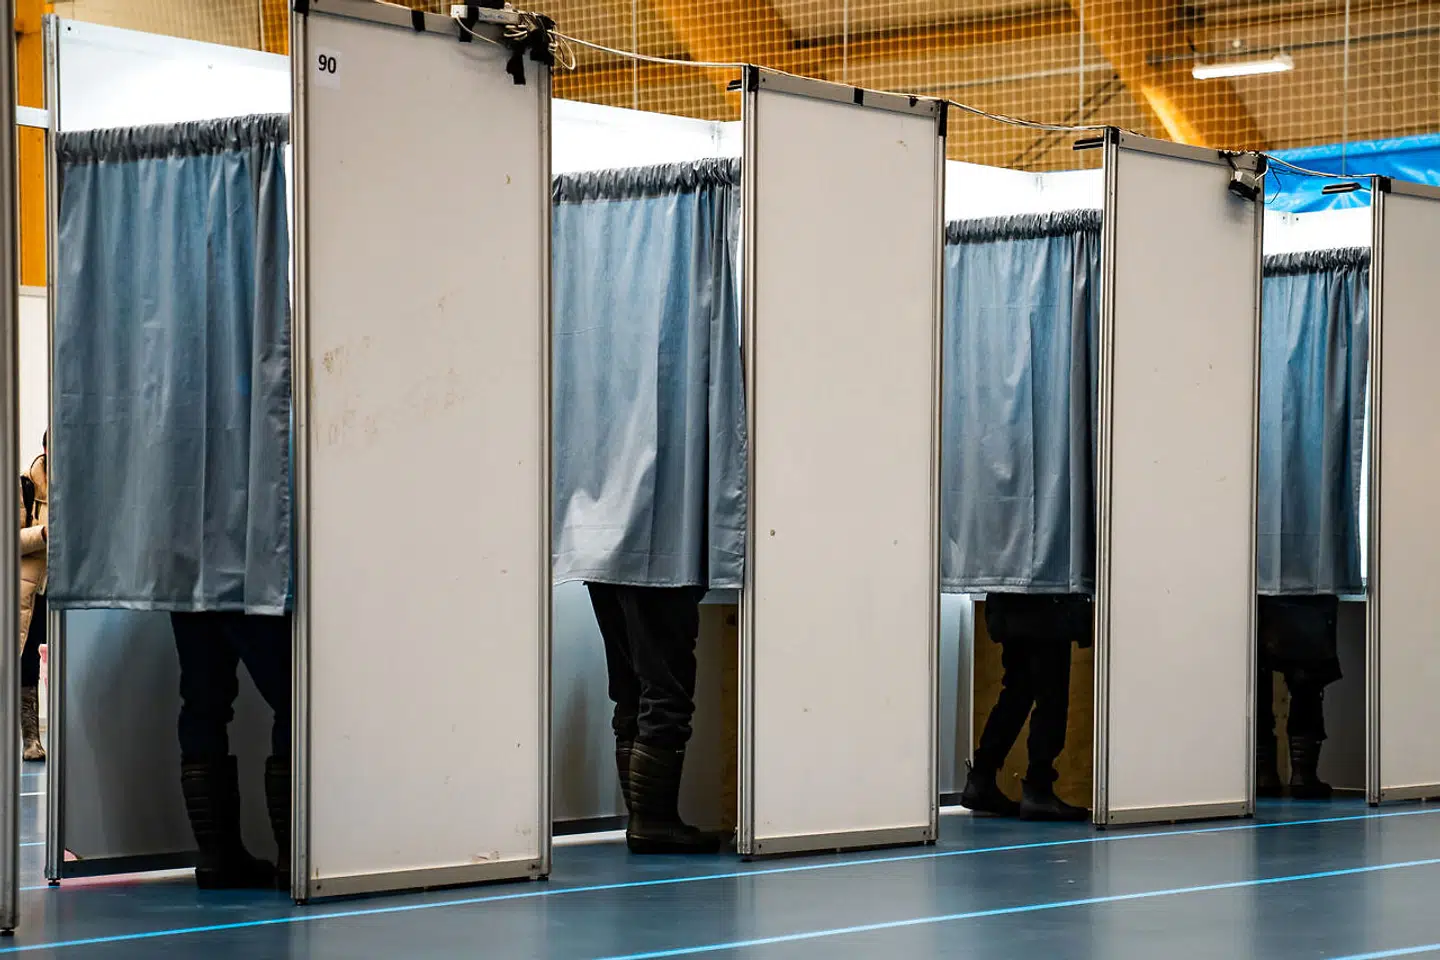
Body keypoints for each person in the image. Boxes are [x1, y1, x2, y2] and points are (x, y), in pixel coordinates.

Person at [587, 583, 723, 854]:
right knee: (666, 685)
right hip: (659, 564)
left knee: (630, 692)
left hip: (603, 559)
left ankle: (643, 819)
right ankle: (655, 822)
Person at [172, 610, 291, 889]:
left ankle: (216, 857)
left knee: (202, 704)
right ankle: (296, 852)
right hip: (252, 578)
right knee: (293, 698)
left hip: (187, 581)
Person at [960, 592, 1091, 821]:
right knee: (1051, 695)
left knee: (1017, 692)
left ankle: (982, 777)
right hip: (1047, 604)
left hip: (1008, 602)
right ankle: (1039, 787)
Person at [1256, 594, 1340, 800]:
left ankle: (1262, 772)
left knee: (1257, 680)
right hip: (1311, 603)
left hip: (1261, 596)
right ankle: (1303, 774)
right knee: (1306, 684)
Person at [18, 433, 48, 762]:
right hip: (32, 592)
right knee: (25, 663)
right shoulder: (26, 485)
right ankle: (31, 737)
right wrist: (43, 533)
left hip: (63, 591)